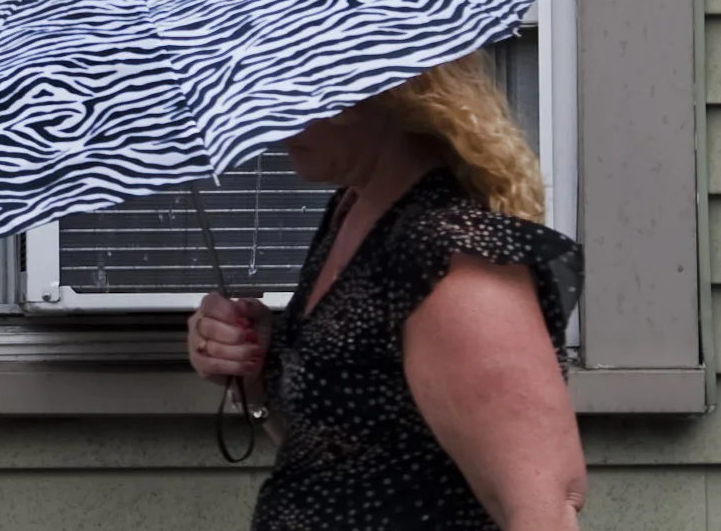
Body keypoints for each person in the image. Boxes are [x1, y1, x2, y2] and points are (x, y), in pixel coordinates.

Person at [188, 51, 587, 530]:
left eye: (284, 92)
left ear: (368, 86)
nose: (270, 126)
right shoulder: (352, 214)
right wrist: (257, 369)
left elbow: (542, 504)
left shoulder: (449, 258)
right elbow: (337, 453)